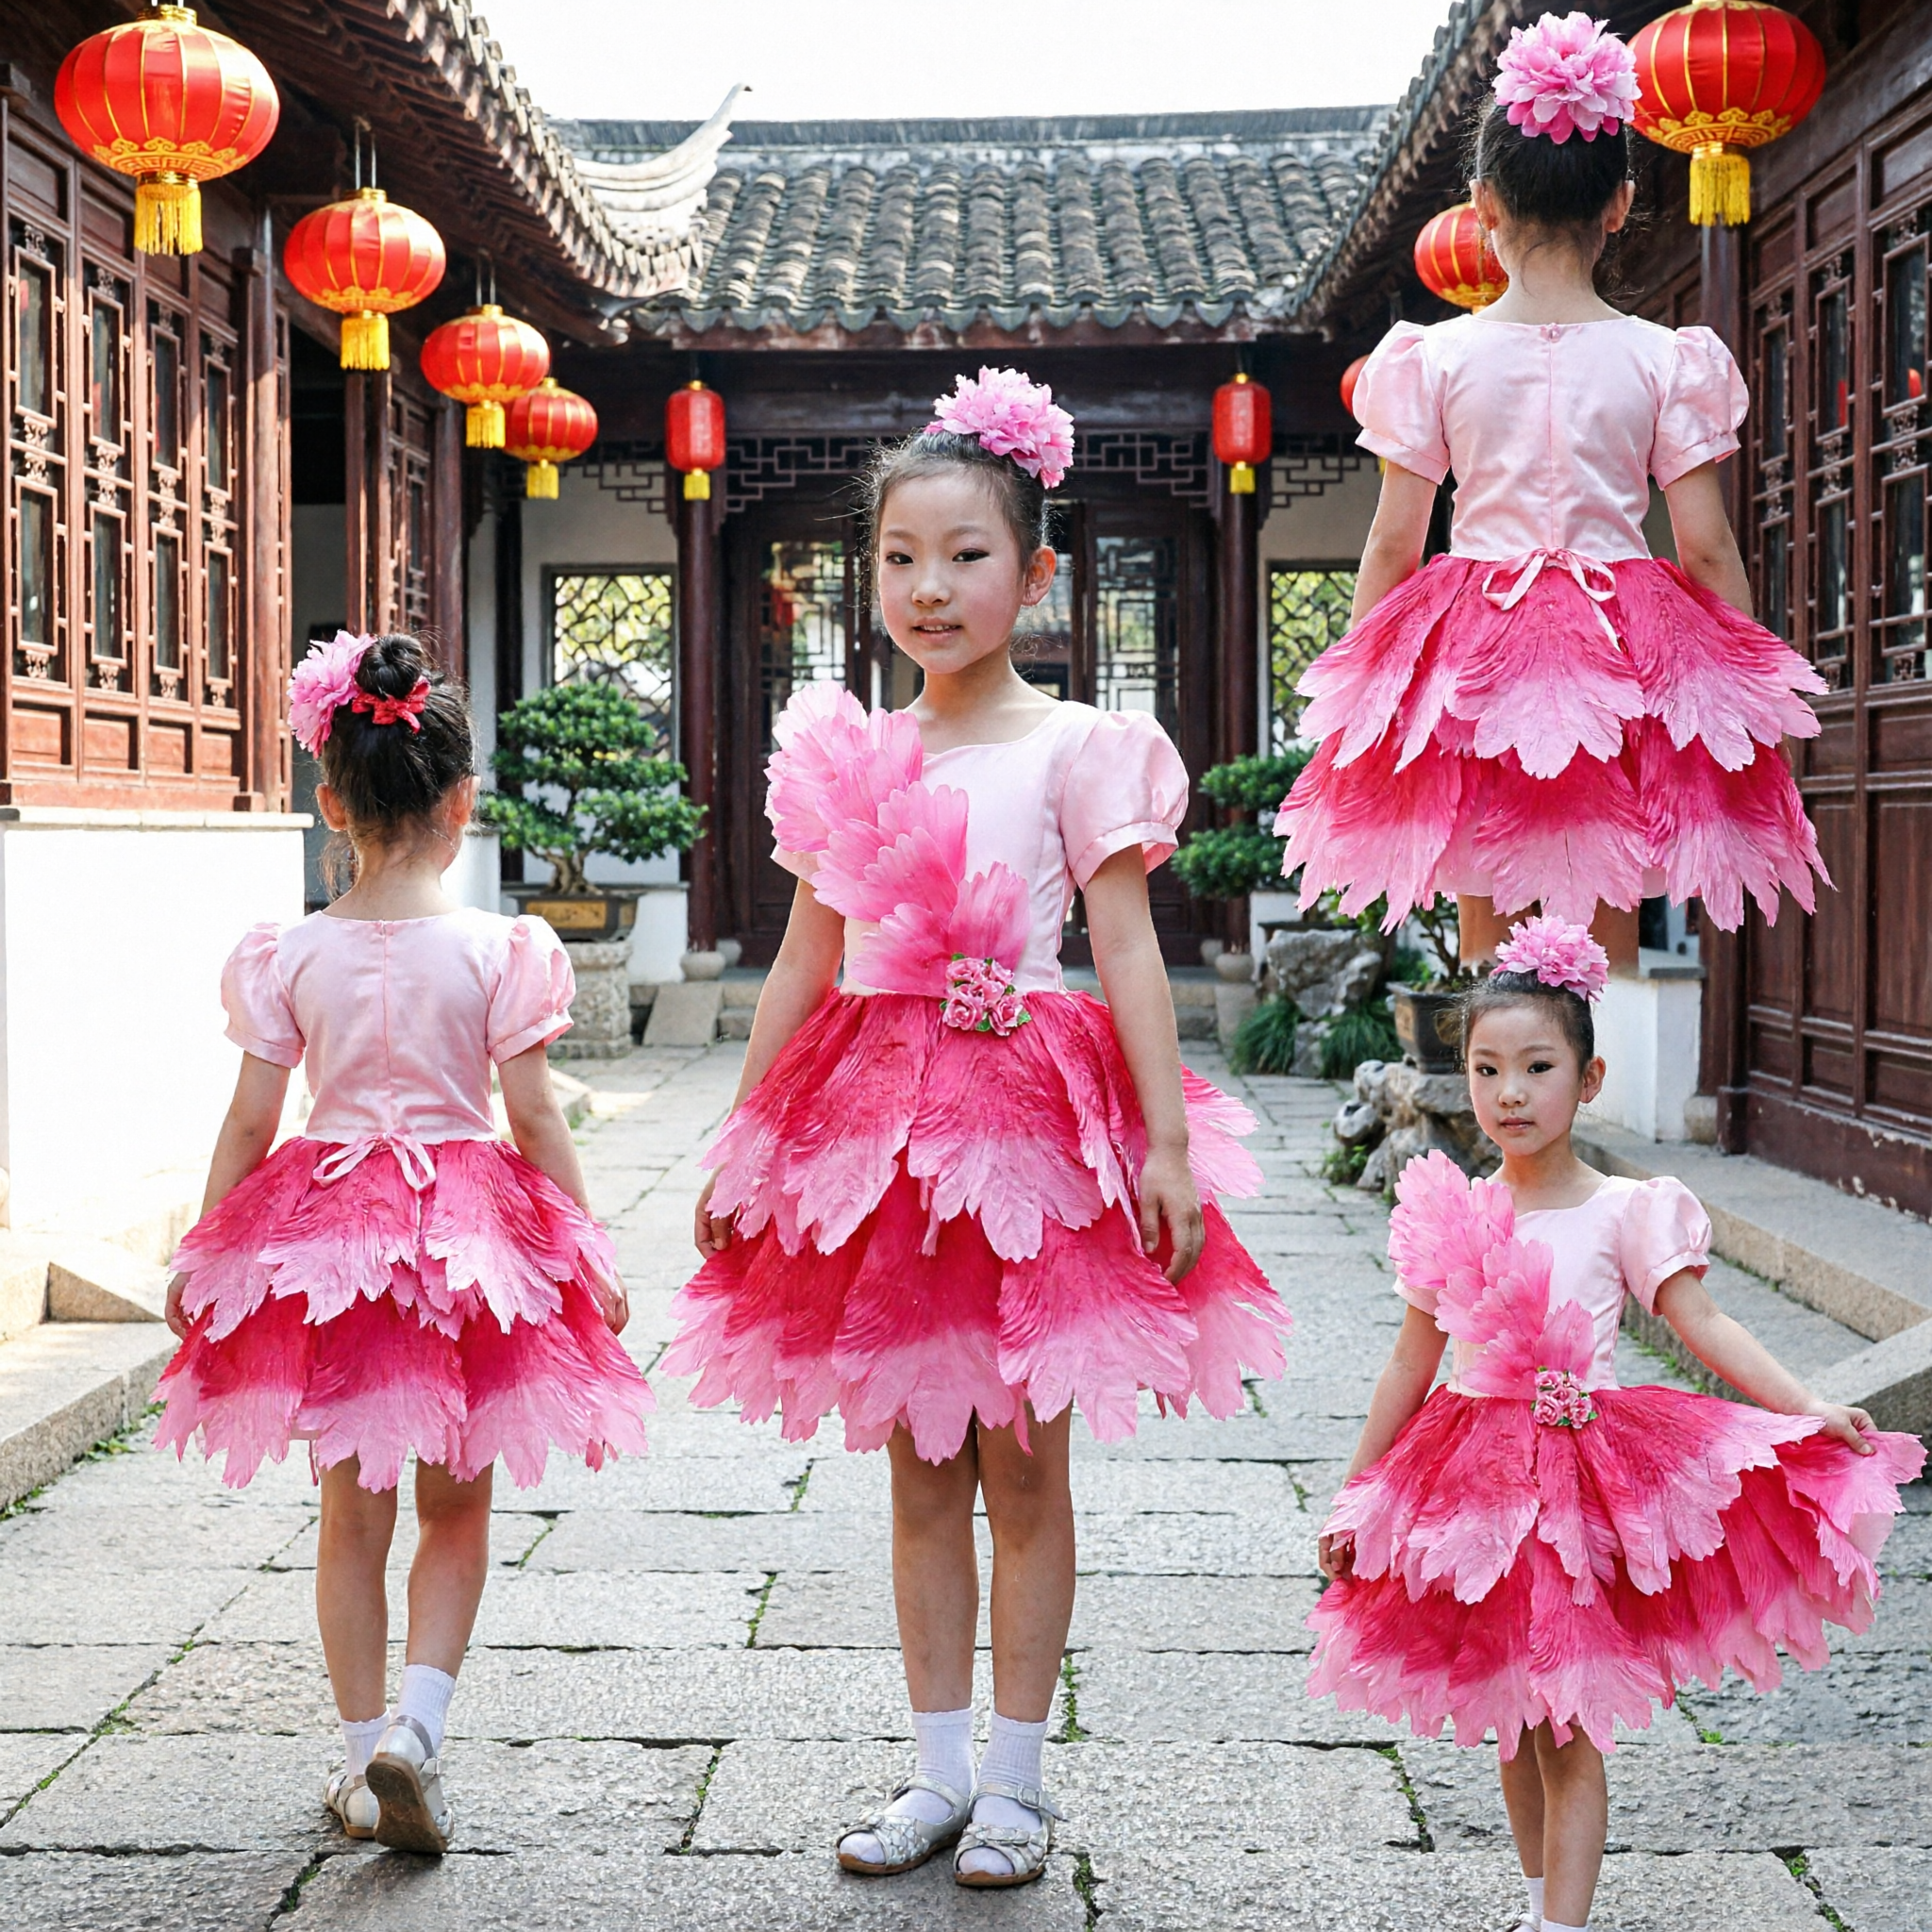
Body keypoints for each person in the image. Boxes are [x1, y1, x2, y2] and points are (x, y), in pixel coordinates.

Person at [665, 368, 1290, 1887]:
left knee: (1026, 1465)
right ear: (866, 568)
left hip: (1030, 1128)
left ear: (1037, 571)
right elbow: (807, 961)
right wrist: (747, 1141)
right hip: (874, 1135)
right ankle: (936, 1770)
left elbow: (1129, 949)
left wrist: (1164, 1144)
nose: (930, 588)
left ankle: (1018, 1778)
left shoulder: (1082, 747)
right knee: (917, 1463)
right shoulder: (851, 754)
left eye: (966, 555)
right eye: (898, 557)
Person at [1309, 913, 1924, 1932]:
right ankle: (1533, 1902)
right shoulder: (1451, 1212)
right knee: (1508, 1716)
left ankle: (1566, 1925)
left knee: (1568, 1717)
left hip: (1580, 1485)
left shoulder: (1623, 1209)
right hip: (1471, 1486)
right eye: (1485, 1067)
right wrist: (1357, 1490)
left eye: (1536, 1066)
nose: (1508, 1091)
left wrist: (1804, 1402)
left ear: (1585, 1081)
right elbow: (1408, 1363)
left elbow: (1702, 1319)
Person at [157, 630, 651, 1857]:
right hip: (467, 1233)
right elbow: (533, 1114)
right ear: (463, 803)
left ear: (331, 805)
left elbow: (249, 1120)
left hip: (333, 1238)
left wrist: (204, 1257)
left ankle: (354, 1748)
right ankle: (417, 1733)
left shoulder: (290, 953)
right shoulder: (500, 950)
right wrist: (584, 1249)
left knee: (349, 1514)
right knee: (458, 1508)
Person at [1277, 10, 1827, 966]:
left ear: (1484, 205)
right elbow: (1703, 548)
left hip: (1475, 640)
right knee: (1593, 921)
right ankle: (1572, 1102)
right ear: (1618, 204)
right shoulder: (1667, 360)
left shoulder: (1428, 358)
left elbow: (1391, 544)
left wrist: (1366, 706)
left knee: (1491, 932)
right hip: (1622, 641)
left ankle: (1506, 1109)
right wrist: (1737, 704)